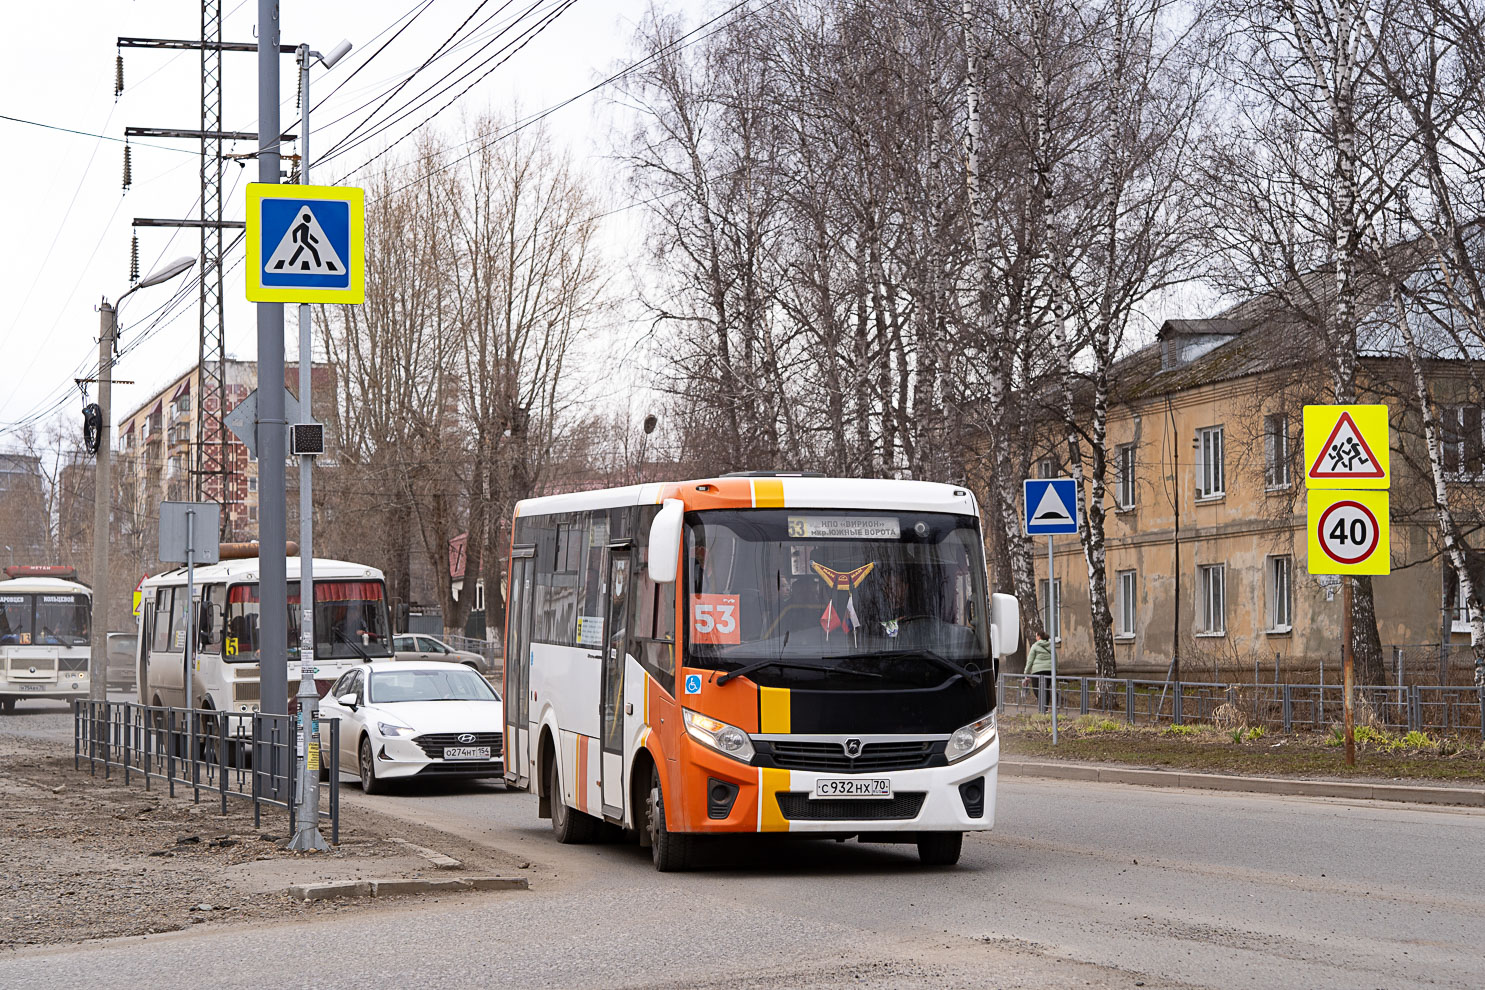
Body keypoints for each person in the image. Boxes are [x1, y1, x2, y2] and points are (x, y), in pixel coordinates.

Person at [1023, 630, 1053, 713]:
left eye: (1036, 636)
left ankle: (1041, 706)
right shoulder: (1051, 646)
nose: (1036, 638)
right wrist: (1055, 669)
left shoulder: (1035, 646)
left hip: (1037, 671)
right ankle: (1045, 708)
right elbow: (1055, 658)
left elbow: (1030, 660)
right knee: (1046, 688)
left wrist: (1026, 672)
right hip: (1048, 670)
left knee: (1036, 688)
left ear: (1039, 637)